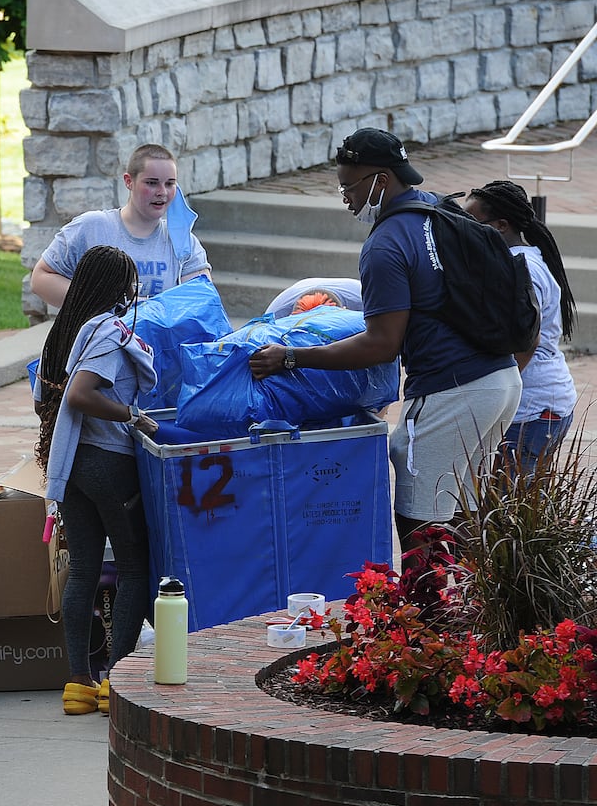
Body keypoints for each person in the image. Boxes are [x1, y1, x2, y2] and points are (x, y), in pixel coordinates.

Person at [248, 128, 520, 550]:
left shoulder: (385, 245)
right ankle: (475, 614)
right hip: (501, 381)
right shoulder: (438, 209)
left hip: (451, 390)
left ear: (379, 180)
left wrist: (291, 357)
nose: (345, 198)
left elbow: (381, 344)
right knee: (463, 513)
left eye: (348, 186)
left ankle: (424, 616)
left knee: (418, 520)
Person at [33, 246, 158, 716]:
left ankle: (79, 684)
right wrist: (131, 415)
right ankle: (116, 680)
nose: (133, 292)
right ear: (114, 287)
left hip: (72, 467)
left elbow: (46, 399)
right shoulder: (106, 332)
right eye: (129, 283)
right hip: (109, 461)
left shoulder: (60, 333)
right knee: (132, 566)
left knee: (84, 568)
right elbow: (82, 394)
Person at [463, 180, 578, 475]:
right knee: (517, 505)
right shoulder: (526, 259)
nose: (463, 229)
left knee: (504, 508)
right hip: (543, 404)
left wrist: (496, 394)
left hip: (531, 410)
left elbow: (527, 341)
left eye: (471, 221)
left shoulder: (519, 266)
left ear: (500, 225)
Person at [30, 143, 212, 309]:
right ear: (128, 181)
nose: (162, 192)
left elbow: (200, 303)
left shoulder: (183, 241)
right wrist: (106, 304)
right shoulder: (92, 227)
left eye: (170, 184)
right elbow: (40, 279)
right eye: (151, 183)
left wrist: (152, 310)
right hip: (100, 343)